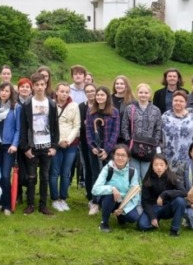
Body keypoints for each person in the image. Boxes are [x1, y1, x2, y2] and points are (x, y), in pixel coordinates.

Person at [18, 75, 59, 216]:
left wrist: (54, 146)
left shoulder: (52, 104)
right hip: (32, 146)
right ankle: (30, 204)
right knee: (31, 176)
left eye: (42, 84)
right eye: (37, 85)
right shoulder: (28, 104)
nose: (40, 87)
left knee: (45, 176)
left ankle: (43, 205)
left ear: (45, 85)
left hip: (47, 145)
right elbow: (23, 127)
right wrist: (25, 147)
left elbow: (55, 127)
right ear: (33, 87)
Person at [85, 85, 120, 216]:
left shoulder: (114, 112)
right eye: (98, 95)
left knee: (109, 176)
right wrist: (92, 147)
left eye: (102, 95)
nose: (99, 97)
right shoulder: (90, 112)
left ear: (107, 97)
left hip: (108, 150)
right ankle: (95, 202)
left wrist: (106, 150)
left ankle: (106, 202)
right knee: (96, 175)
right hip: (94, 149)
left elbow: (115, 133)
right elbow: (88, 131)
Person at [91, 144, 141, 232]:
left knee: (133, 217)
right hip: (108, 199)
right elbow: (95, 189)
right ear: (113, 156)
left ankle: (120, 216)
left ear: (128, 158)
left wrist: (124, 210)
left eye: (123, 155)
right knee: (111, 195)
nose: (120, 158)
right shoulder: (108, 168)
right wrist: (112, 189)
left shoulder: (132, 171)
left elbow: (135, 194)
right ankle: (104, 223)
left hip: (124, 202)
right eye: (117, 155)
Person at [0, 82, 20, 214]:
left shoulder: (16, 108)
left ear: (11, 93)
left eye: (7, 91)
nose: (4, 93)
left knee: (6, 175)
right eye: (2, 90)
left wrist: (14, 144)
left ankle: (7, 205)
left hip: (8, 147)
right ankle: (0, 201)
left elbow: (18, 129)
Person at [120, 83, 163, 179]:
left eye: (146, 93)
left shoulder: (156, 110)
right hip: (133, 147)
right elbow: (124, 127)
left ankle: (146, 194)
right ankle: (134, 194)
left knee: (146, 176)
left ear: (149, 94)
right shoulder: (130, 109)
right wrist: (128, 141)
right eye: (141, 92)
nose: (143, 95)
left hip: (149, 149)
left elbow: (158, 128)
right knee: (134, 176)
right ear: (137, 93)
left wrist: (154, 143)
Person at [138, 155, 187, 236]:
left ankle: (174, 230)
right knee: (142, 225)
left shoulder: (172, 178)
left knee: (180, 200)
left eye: (161, 165)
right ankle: (155, 221)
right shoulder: (147, 180)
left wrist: (164, 194)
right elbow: (145, 202)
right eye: (156, 165)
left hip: (168, 207)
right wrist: (152, 217)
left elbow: (184, 192)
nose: (159, 167)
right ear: (152, 166)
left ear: (166, 166)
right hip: (154, 208)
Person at [51, 82, 81, 212]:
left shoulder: (74, 106)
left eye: (66, 91)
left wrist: (68, 141)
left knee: (66, 173)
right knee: (54, 172)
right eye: (61, 91)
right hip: (55, 144)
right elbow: (48, 126)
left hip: (70, 144)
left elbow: (76, 125)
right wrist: (57, 141)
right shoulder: (51, 105)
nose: (64, 94)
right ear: (56, 92)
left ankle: (63, 198)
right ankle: (54, 198)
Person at [161, 90, 193, 173]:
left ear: (185, 103)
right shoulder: (165, 117)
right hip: (168, 156)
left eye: (181, 101)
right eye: (176, 100)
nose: (178, 103)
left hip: (187, 156)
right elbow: (158, 136)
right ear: (172, 102)